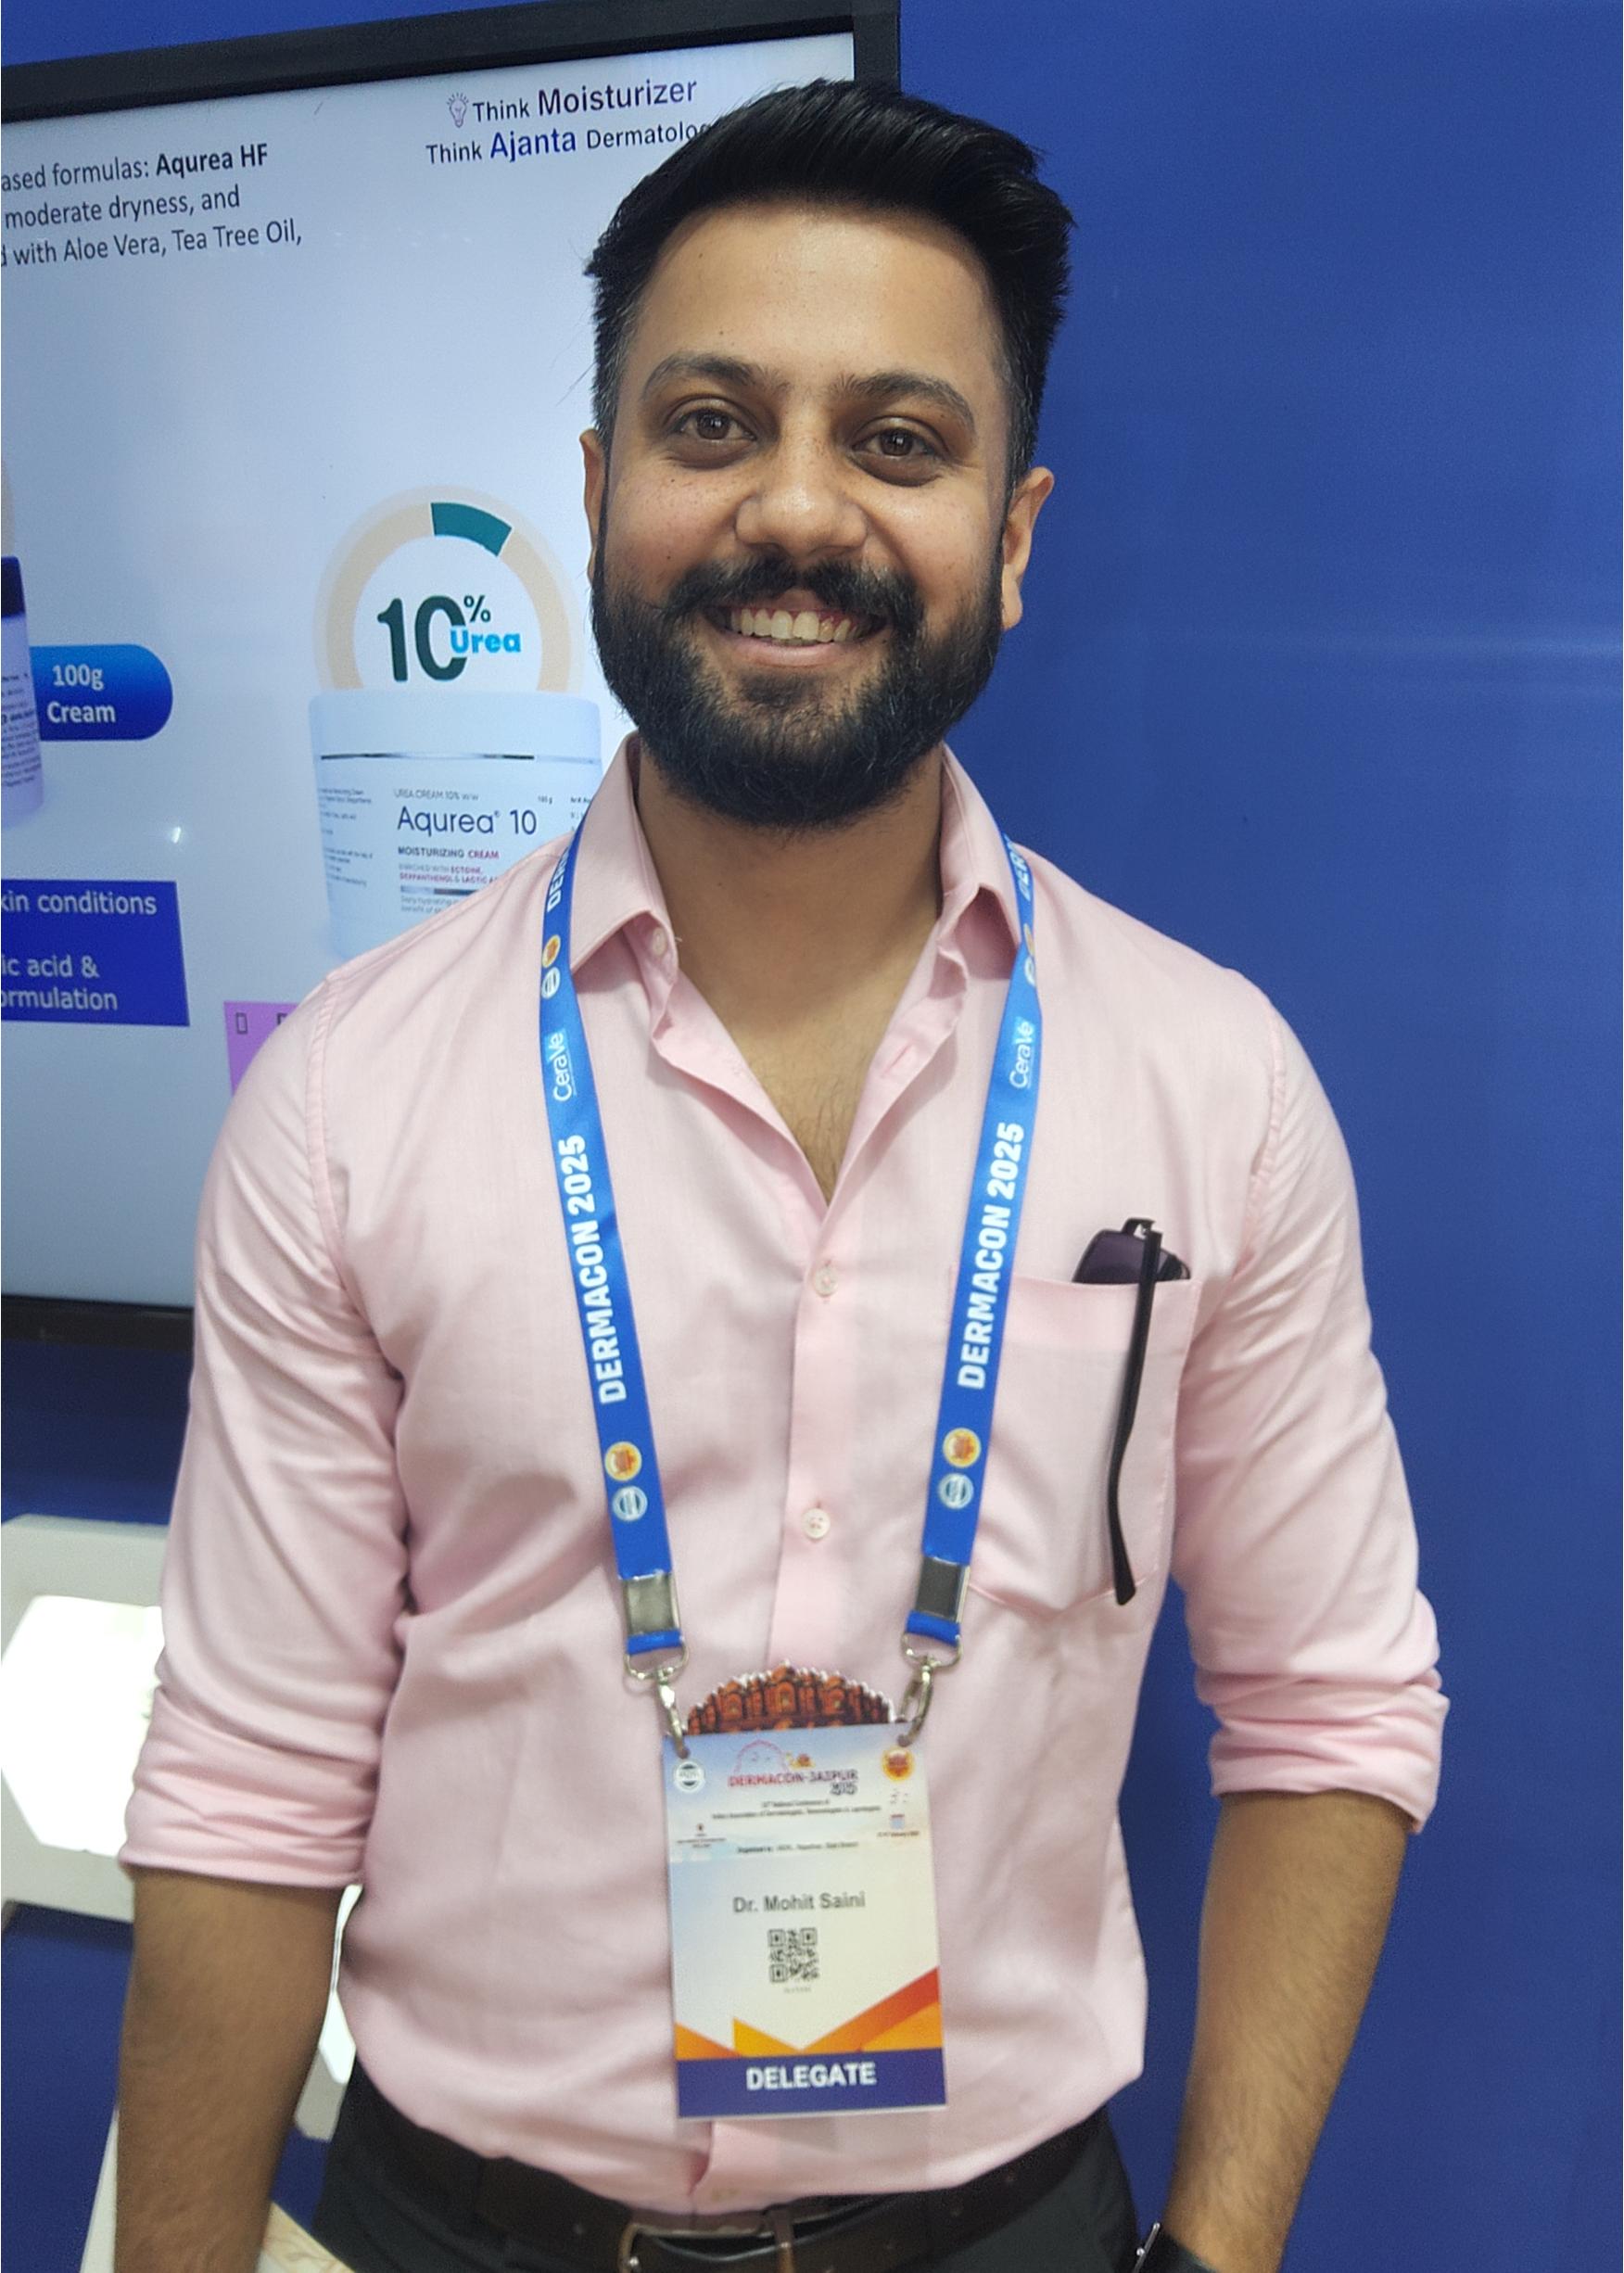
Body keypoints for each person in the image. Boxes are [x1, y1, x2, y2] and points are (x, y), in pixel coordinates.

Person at [116, 80, 1445, 2273]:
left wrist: (1215, 2254)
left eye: (897, 441)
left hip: (1010, 2226)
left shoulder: (1211, 1083)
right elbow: (250, 1788)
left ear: (1012, 532)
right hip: (467, 2224)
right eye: (713, 424)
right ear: (596, 492)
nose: (798, 509)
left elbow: (1331, 1704)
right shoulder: (350, 1096)